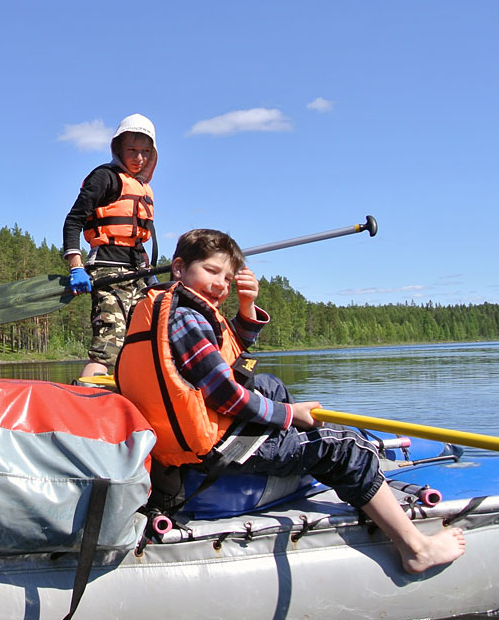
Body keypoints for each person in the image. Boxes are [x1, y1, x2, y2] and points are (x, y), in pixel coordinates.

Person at [115, 228, 465, 574]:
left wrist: (248, 306)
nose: (222, 284)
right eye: (211, 271)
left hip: (181, 442)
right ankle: (415, 548)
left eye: (228, 277)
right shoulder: (186, 318)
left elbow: (228, 349)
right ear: (178, 268)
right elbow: (225, 395)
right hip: (218, 449)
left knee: (268, 384)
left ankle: (325, 452)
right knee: (340, 446)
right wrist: (287, 415)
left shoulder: (171, 308)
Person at [62, 113, 158, 379]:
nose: (139, 158)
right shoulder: (104, 177)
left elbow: (139, 241)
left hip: (137, 273)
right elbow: (73, 221)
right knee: (109, 343)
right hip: (106, 271)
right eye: (132, 150)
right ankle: (86, 399)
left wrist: (151, 278)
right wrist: (76, 266)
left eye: (145, 152)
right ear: (118, 148)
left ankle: (135, 400)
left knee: (144, 341)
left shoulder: (142, 188)